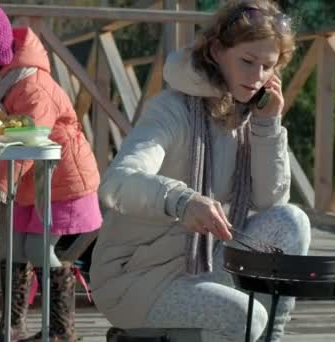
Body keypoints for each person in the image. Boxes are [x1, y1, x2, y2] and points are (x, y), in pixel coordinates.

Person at [90, 1, 311, 341]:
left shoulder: (248, 114)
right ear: (218, 51)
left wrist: (268, 126)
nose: (257, 78)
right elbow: (116, 183)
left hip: (204, 260)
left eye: (267, 66)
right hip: (137, 278)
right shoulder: (172, 109)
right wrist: (182, 201)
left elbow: (269, 202)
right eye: (247, 61)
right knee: (247, 319)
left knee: (291, 222)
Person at [0, 0, 103, 341]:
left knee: (39, 250)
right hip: (30, 187)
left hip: (62, 183)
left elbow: (25, 143)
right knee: (13, 248)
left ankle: (60, 330)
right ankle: (13, 325)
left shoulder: (34, 87)